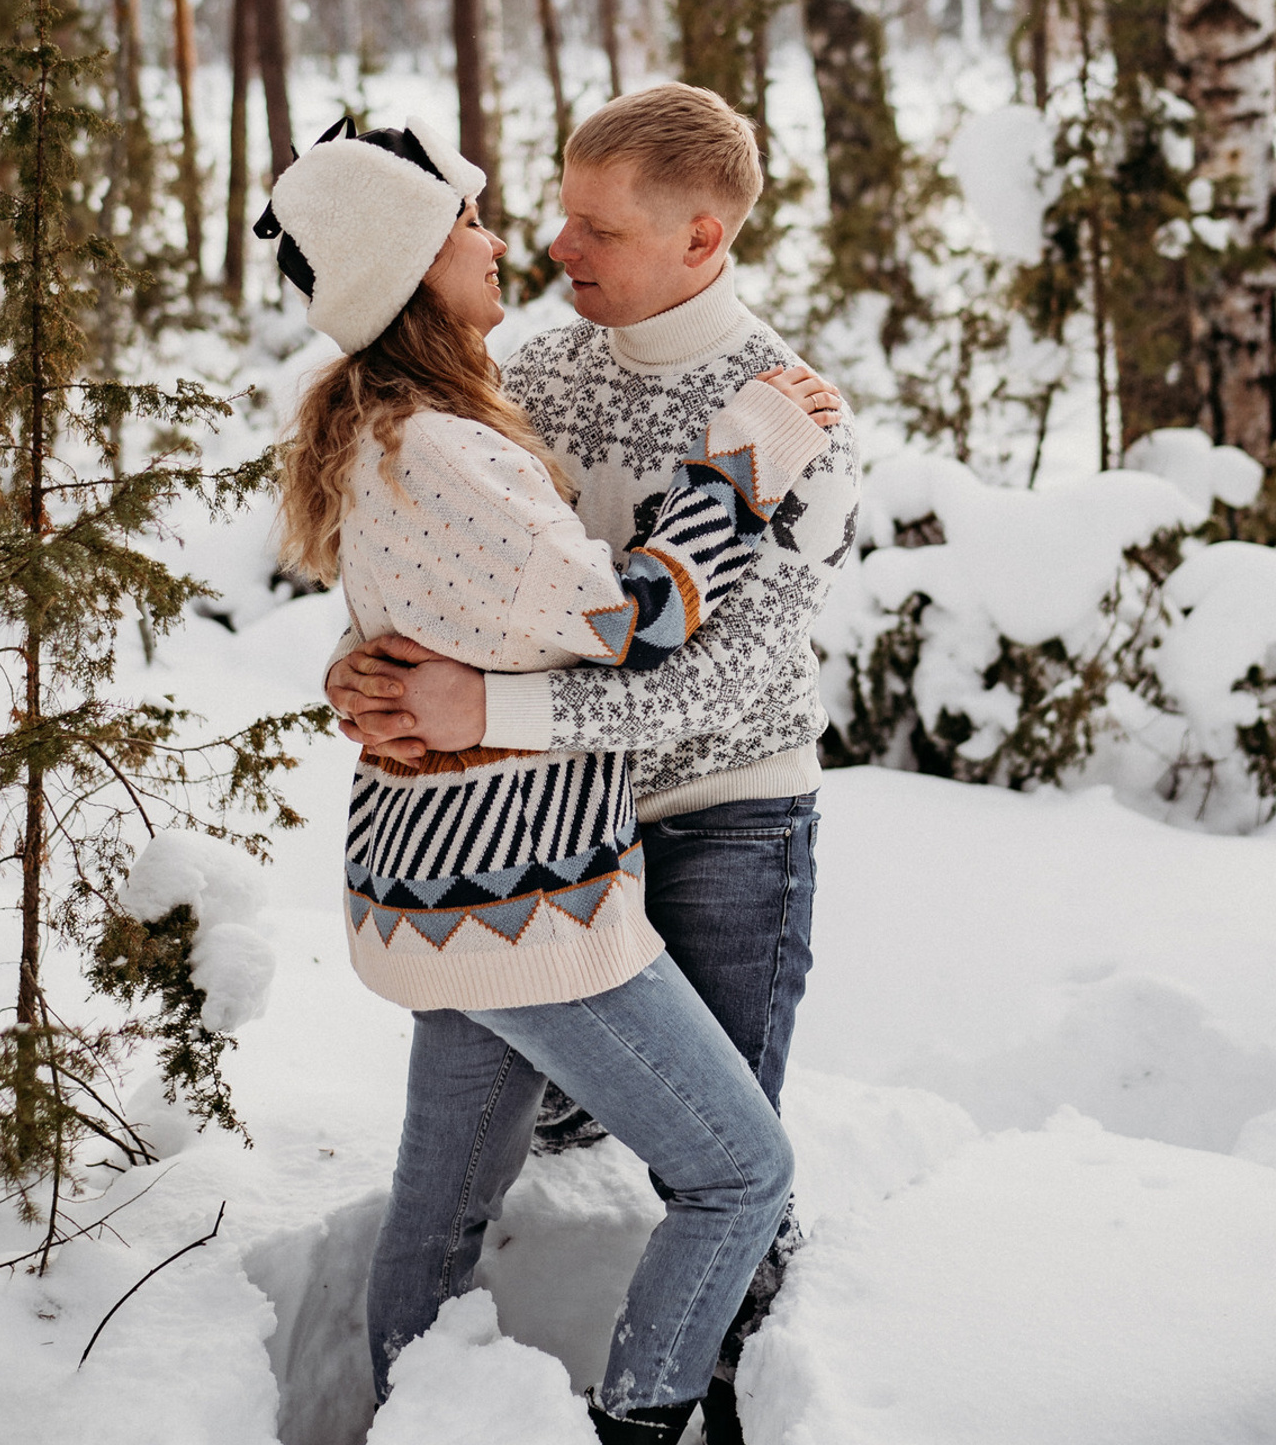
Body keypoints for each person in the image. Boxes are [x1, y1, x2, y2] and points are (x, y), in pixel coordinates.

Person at [262, 113, 843, 1444]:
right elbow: (572, 604)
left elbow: (716, 685)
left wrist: (475, 697)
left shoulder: (786, 404)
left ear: (702, 236)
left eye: (598, 225)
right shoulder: (520, 380)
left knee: (600, 1178)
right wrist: (370, 669)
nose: (542, 241)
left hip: (716, 823)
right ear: (416, 267)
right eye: (514, 217)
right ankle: (627, 1424)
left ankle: (744, 1410)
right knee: (729, 1170)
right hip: (540, 864)